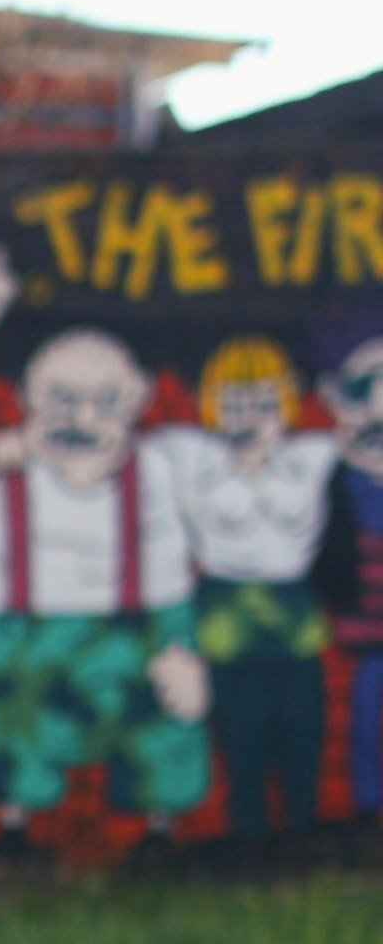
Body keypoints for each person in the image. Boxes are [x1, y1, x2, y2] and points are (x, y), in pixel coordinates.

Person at [0, 235, 210, 855]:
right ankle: (12, 835)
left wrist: (188, 659)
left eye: (107, 402)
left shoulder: (167, 473)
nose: (83, 420)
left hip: (137, 647)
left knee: (164, 738)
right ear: (26, 399)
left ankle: (159, 841)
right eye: (62, 400)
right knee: (6, 749)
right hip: (10, 652)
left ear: (139, 398)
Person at [172, 337, 336, 848]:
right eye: (234, 404)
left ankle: (300, 837)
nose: (249, 418)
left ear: (286, 401)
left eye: (264, 404)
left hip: (294, 610)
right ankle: (249, 842)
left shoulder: (312, 455)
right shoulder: (191, 455)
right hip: (226, 610)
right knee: (239, 737)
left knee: (302, 732)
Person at [314, 322, 383, 829]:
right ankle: (368, 804)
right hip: (365, 632)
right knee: (365, 714)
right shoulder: (337, 483)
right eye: (363, 393)